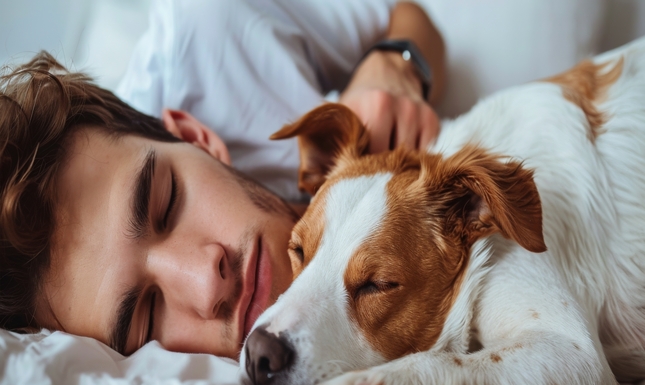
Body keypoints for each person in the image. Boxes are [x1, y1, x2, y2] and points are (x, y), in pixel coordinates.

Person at [0, 0, 445, 360]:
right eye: (147, 314)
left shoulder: (210, 33)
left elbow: (408, 15)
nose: (206, 280)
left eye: (168, 203)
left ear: (195, 138)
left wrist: (395, 65)